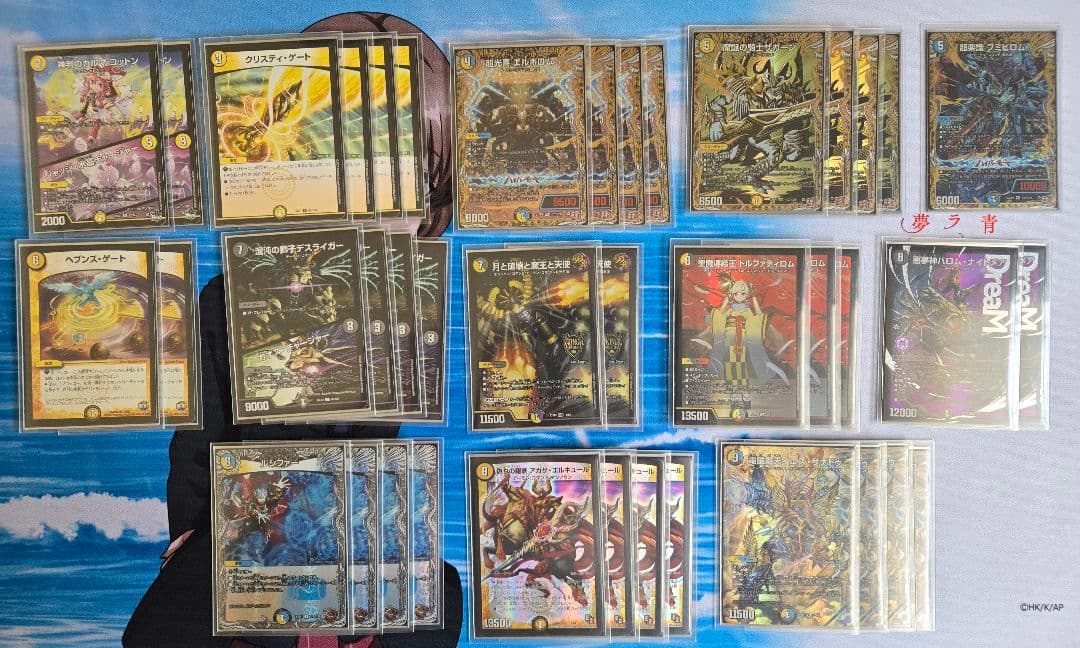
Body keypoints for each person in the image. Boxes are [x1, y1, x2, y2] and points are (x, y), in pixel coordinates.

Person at [123, 275, 463, 647]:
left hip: (334, 519)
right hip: (271, 516)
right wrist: (191, 530)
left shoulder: (396, 295)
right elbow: (202, 425)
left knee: (437, 600)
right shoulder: (229, 293)